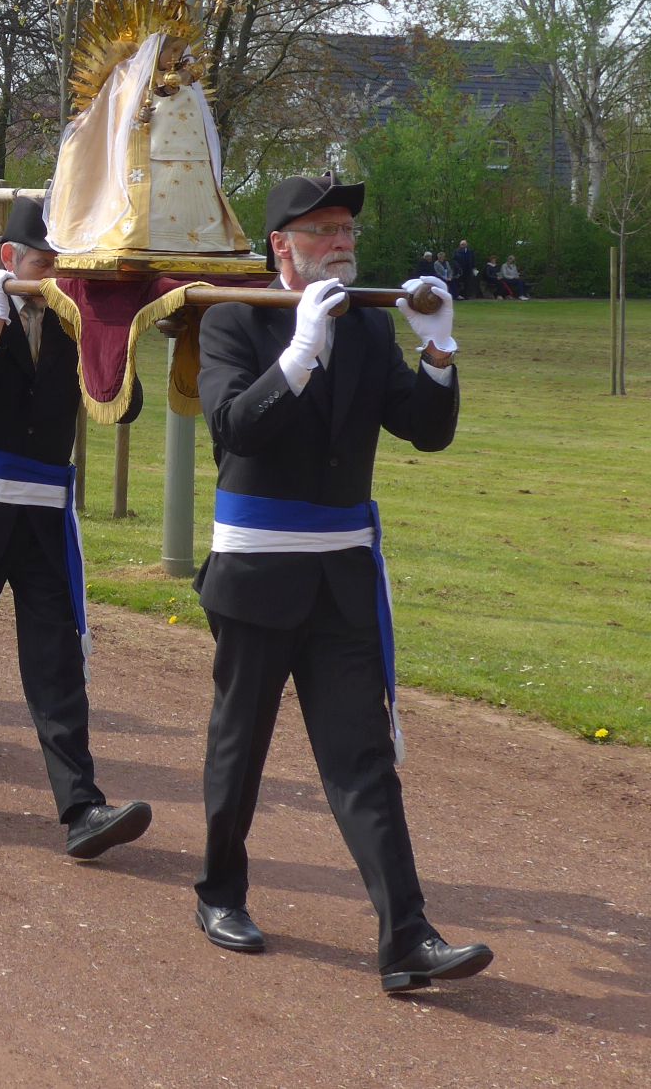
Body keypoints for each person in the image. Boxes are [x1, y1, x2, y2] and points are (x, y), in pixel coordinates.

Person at [191, 172, 492, 994]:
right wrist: (298, 355)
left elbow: (425, 431)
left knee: (363, 759)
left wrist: (437, 353)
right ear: (281, 246)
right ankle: (219, 892)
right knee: (240, 744)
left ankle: (407, 938)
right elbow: (234, 428)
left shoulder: (365, 326)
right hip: (257, 571)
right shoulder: (234, 318)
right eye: (323, 230)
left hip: (341, 577)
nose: (342, 242)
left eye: (348, 229)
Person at [0, 197, 153, 858]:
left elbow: (123, 407)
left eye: (64, 266)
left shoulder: (72, 319)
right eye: (45, 264)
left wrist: (114, 334)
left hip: (44, 516)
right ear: (9, 259)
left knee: (56, 663)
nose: (55, 277)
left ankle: (81, 806)